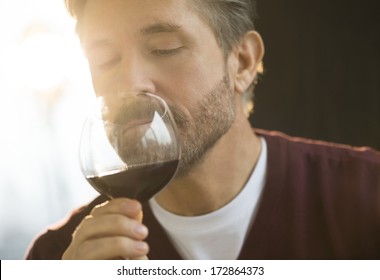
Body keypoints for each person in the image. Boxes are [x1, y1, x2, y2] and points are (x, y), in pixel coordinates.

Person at [26, 0, 380, 260]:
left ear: (242, 62)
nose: (129, 85)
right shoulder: (59, 257)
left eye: (165, 49)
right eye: (105, 60)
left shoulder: (367, 200)